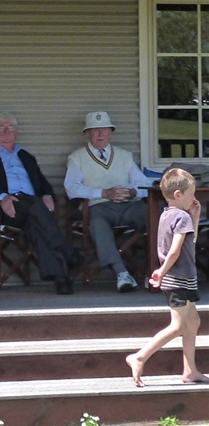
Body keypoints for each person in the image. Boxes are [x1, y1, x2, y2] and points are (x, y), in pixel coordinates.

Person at [0, 112, 85, 295]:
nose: (7, 132)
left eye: (11, 128)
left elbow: (43, 185)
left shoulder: (26, 158)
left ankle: (60, 278)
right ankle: (66, 251)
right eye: (1, 128)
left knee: (35, 221)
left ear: (17, 132)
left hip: (30, 209)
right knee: (34, 208)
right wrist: (2, 196)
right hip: (1, 209)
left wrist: (46, 194)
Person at [126, 168, 209, 387]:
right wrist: (161, 272)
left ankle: (190, 371)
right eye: (191, 193)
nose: (194, 197)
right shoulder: (181, 217)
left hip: (182, 278)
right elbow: (175, 250)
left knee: (193, 321)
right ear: (178, 194)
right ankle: (140, 356)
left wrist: (195, 217)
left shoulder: (167, 214)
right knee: (179, 325)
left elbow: (188, 243)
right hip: (178, 278)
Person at [64, 111, 152, 292]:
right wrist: (103, 192)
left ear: (111, 132)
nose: (100, 134)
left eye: (104, 129)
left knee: (154, 217)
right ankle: (121, 273)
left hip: (129, 206)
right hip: (99, 207)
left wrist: (132, 192)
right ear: (87, 133)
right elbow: (71, 188)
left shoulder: (124, 155)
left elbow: (145, 184)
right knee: (97, 223)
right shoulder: (77, 157)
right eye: (95, 130)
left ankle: (157, 270)